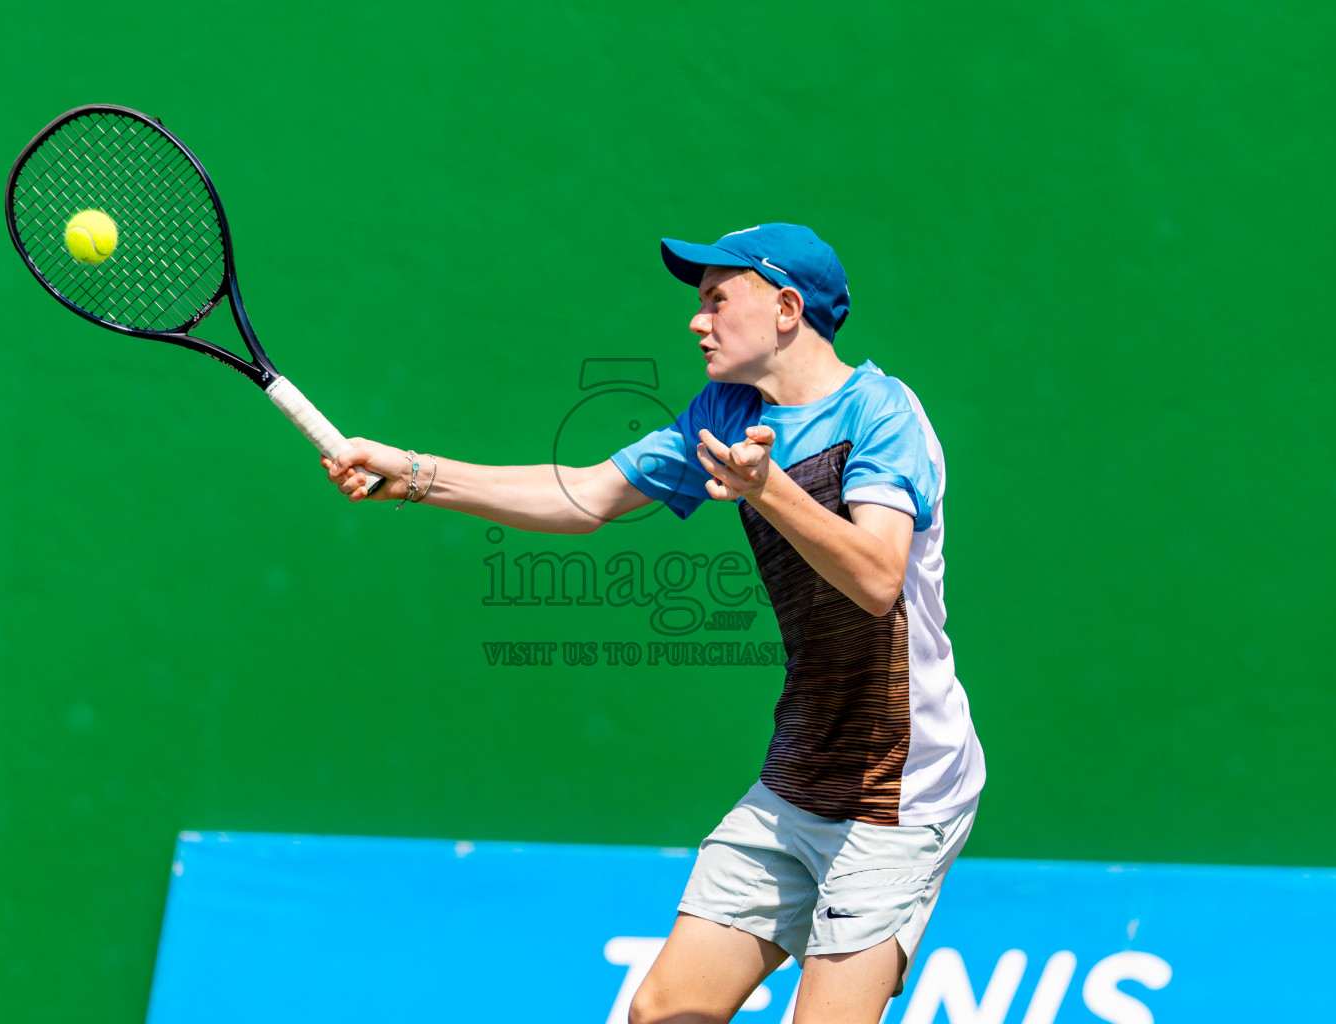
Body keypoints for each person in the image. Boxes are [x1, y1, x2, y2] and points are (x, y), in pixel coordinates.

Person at [324, 223, 985, 1024]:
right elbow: (589, 496)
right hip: (802, 772)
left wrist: (767, 487)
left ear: (785, 307)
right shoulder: (726, 412)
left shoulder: (884, 413)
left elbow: (878, 579)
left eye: (716, 300)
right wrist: (421, 476)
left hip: (899, 786)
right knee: (665, 1011)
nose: (696, 321)